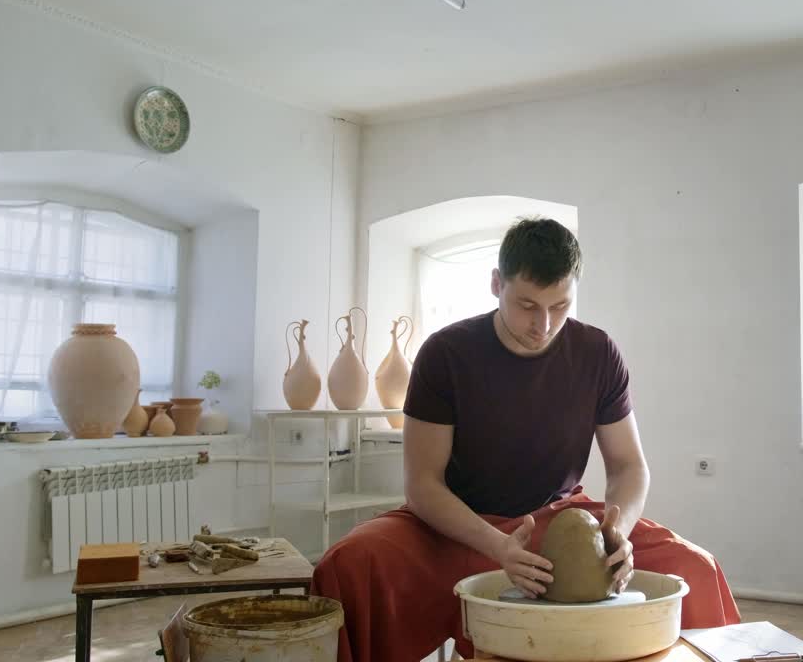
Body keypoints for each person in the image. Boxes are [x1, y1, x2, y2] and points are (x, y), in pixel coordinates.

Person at [311, 218, 741, 661]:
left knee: (696, 567)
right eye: (527, 305)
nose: (544, 324)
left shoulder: (598, 353)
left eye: (560, 306)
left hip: (557, 522)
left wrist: (617, 533)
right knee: (348, 566)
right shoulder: (445, 354)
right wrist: (498, 546)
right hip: (454, 528)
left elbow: (630, 467)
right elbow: (423, 485)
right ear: (496, 284)